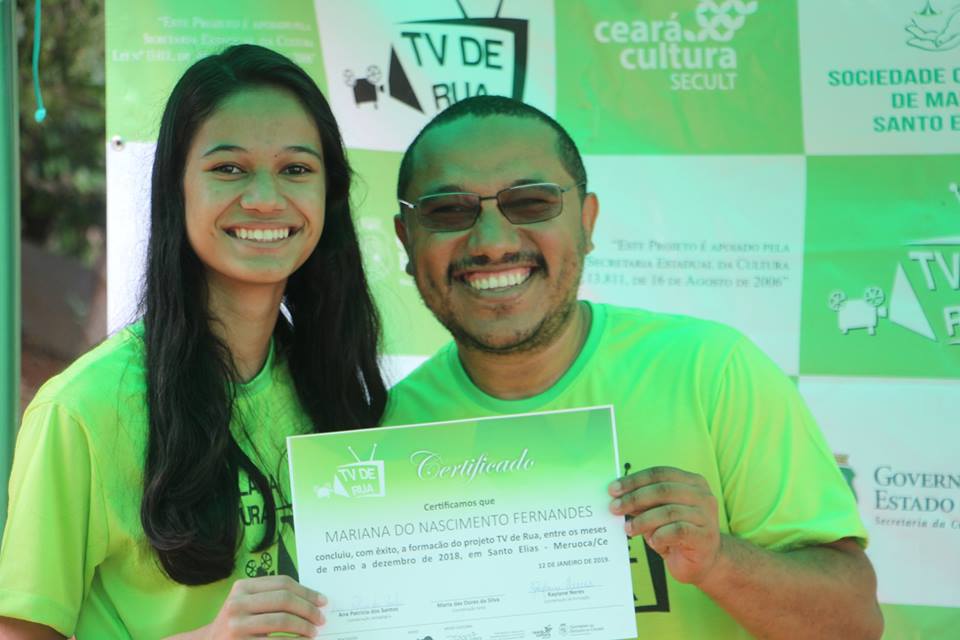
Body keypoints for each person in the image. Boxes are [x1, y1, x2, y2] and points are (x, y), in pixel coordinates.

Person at [386, 95, 884, 639]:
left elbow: (855, 624)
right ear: (407, 240)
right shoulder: (386, 431)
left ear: (587, 222)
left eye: (530, 203)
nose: (493, 243)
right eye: (448, 211)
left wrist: (718, 562)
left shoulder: (711, 370)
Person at [0, 45, 386, 639]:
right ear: (176, 189)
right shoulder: (81, 409)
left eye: (296, 169)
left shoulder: (334, 390)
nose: (265, 198)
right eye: (228, 168)